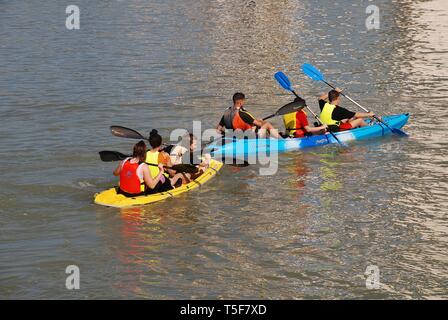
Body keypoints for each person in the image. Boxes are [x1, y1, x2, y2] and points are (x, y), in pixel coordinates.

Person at [216, 92, 282, 139]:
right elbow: (259, 124)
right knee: (267, 124)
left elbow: (218, 130)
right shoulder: (243, 113)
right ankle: (282, 141)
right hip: (247, 139)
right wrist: (260, 122)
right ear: (241, 102)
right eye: (243, 101)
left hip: (233, 138)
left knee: (255, 127)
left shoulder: (226, 112)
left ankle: (268, 139)